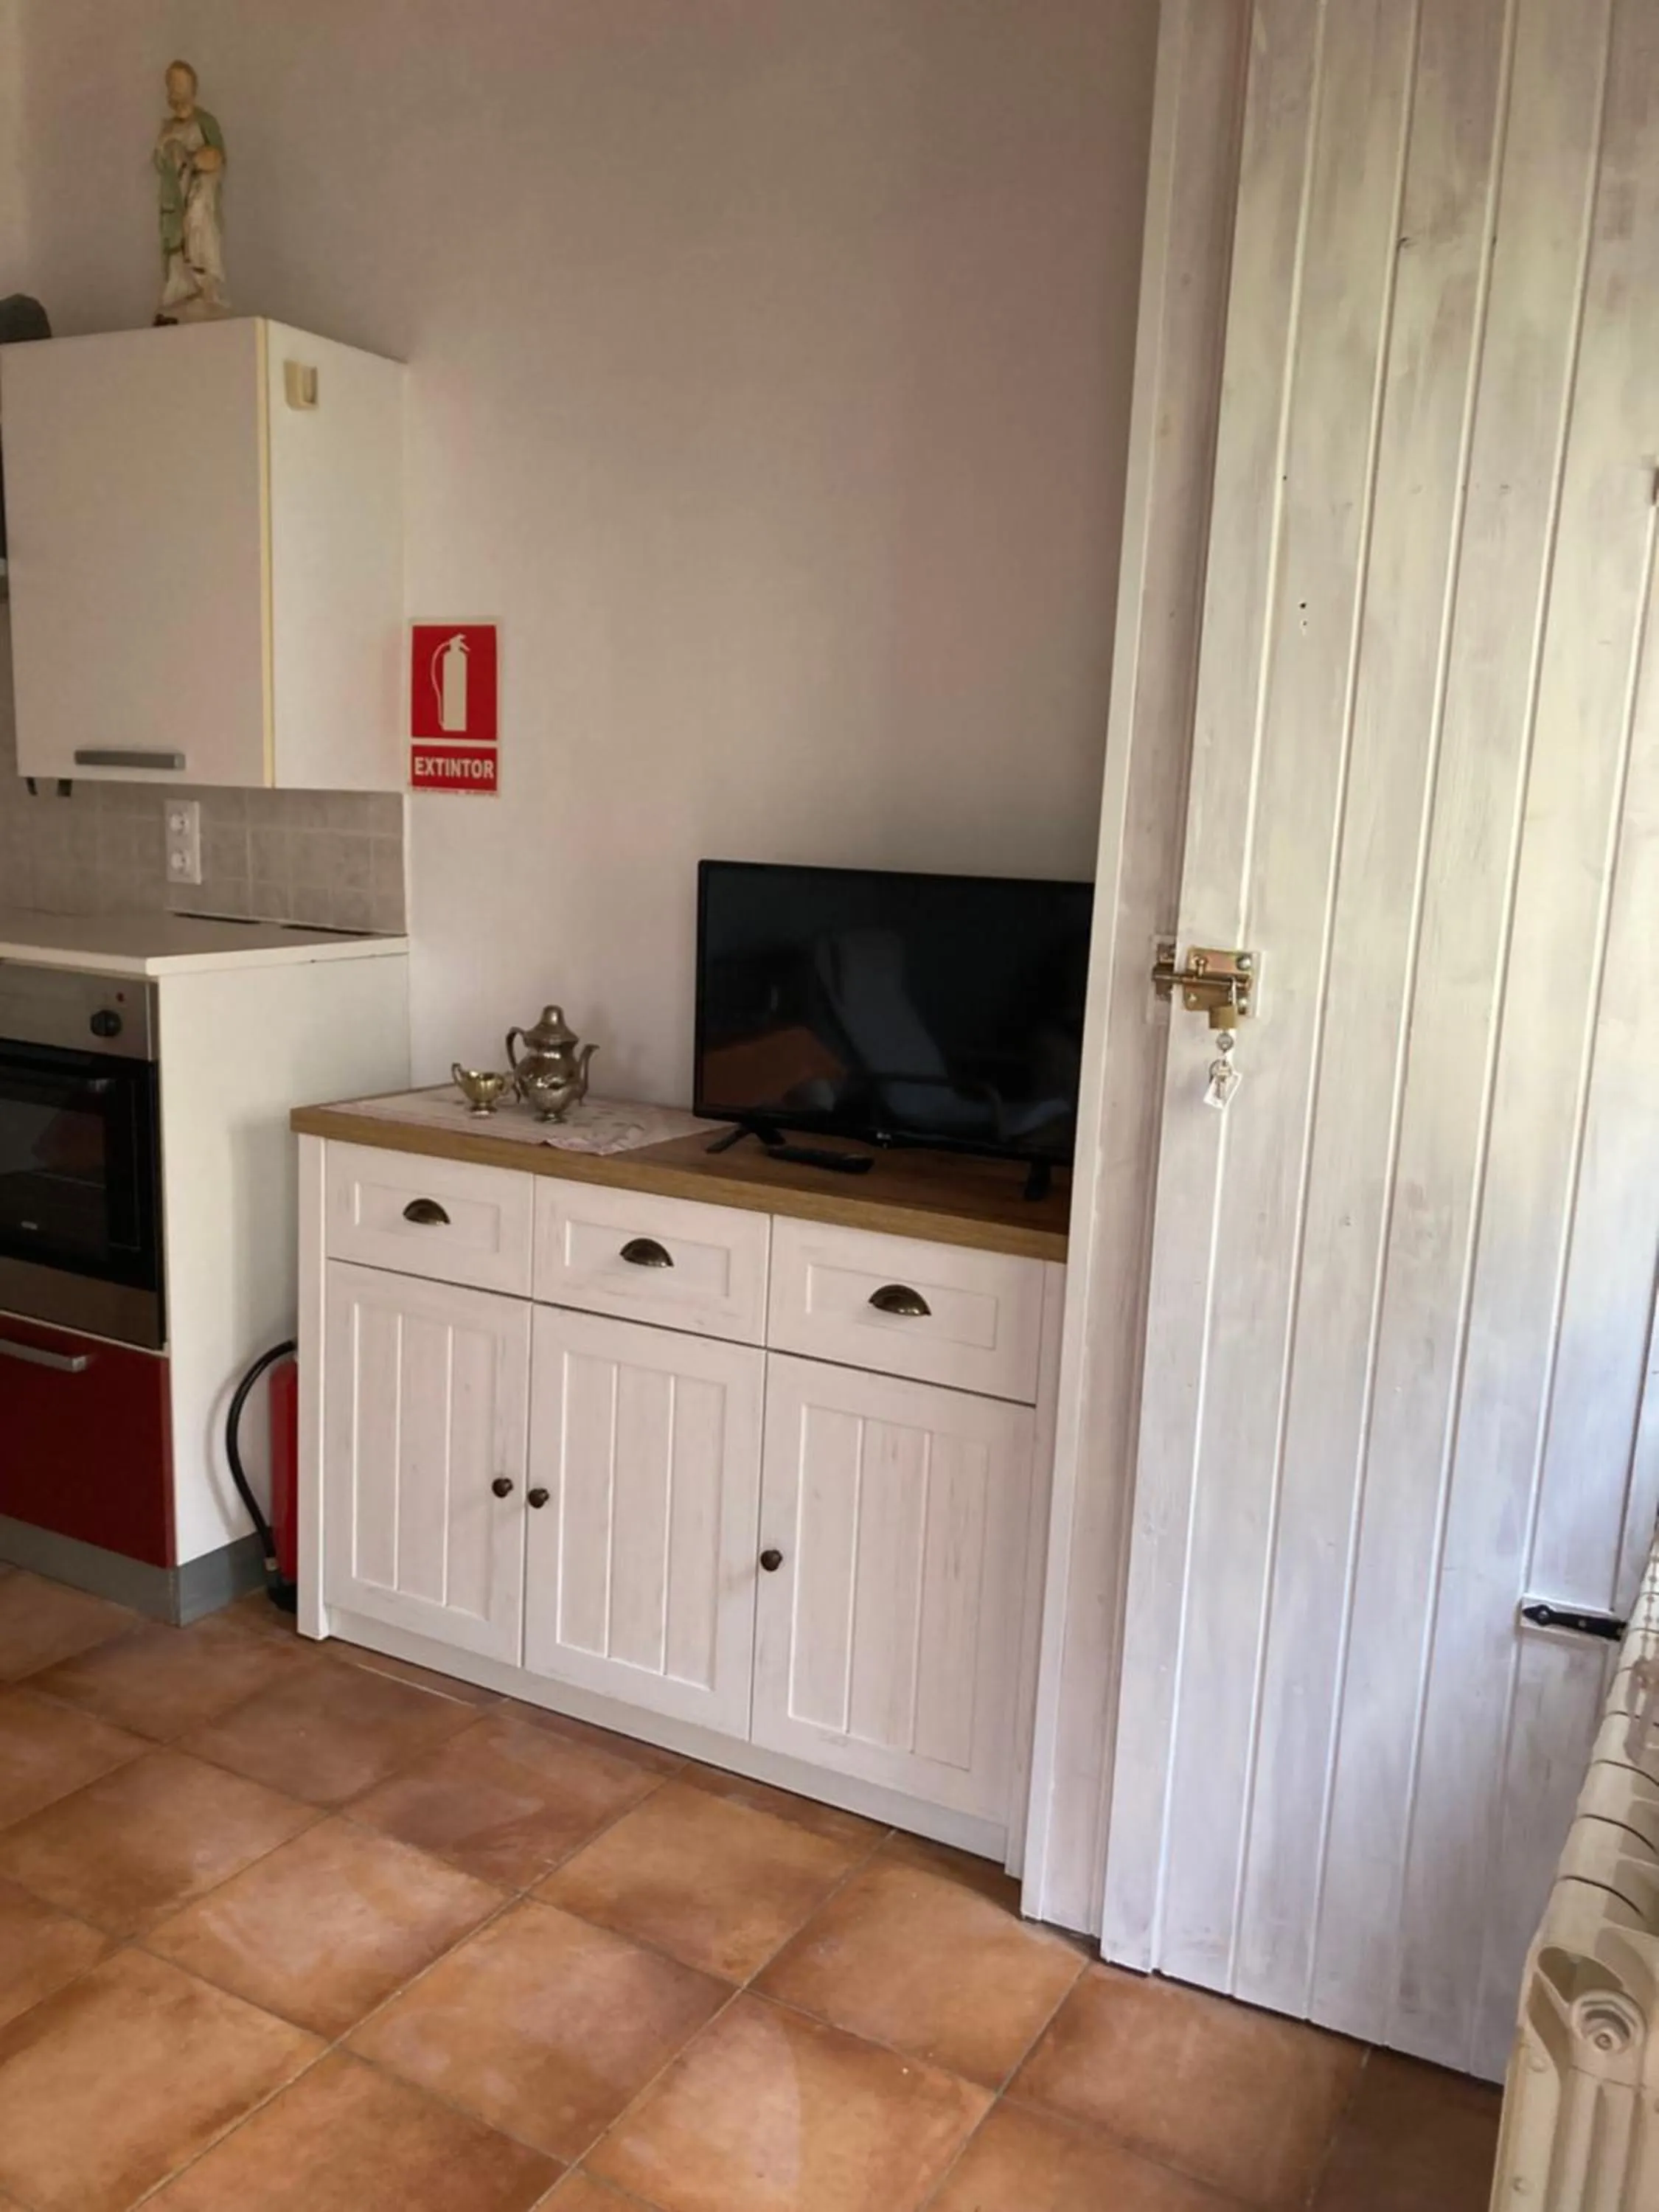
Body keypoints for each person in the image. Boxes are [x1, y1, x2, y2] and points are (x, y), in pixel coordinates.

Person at [154, 60, 227, 324]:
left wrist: (196, 160)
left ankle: (203, 285)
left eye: (180, 83)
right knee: (174, 242)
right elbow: (159, 161)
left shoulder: (205, 122)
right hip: (175, 195)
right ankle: (179, 288)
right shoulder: (167, 128)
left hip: (198, 192)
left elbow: (217, 156)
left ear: (191, 87)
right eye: (171, 84)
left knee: (198, 228)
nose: (175, 89)